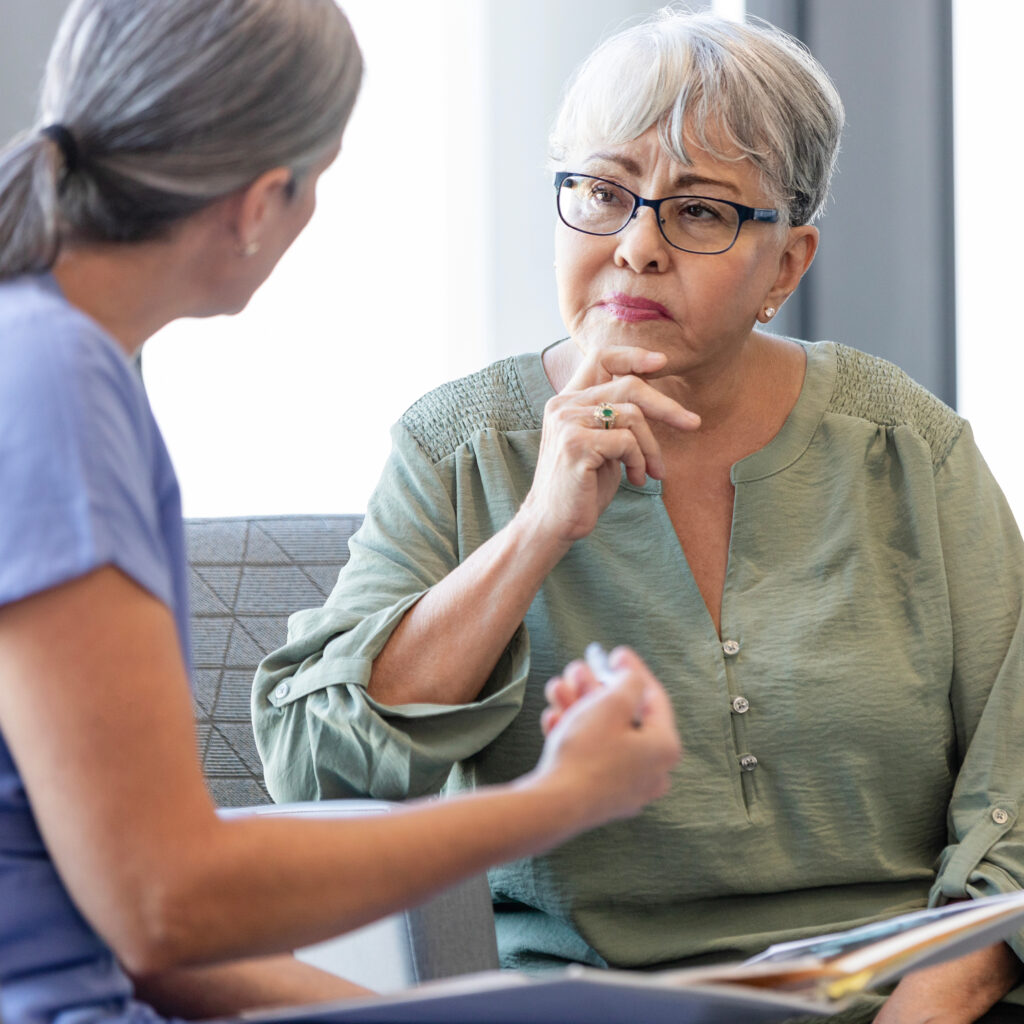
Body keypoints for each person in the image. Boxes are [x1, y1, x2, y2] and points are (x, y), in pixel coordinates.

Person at [252, 8, 1024, 1023]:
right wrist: (538, 527)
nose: (637, 247)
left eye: (698, 212)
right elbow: (313, 767)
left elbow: (1012, 803)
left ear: (786, 265)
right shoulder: (456, 448)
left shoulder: (906, 446)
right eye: (603, 194)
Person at [0, 3, 685, 1023]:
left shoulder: (55, 360)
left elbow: (129, 925)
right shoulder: (55, 383)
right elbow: (164, 901)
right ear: (261, 199)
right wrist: (556, 801)